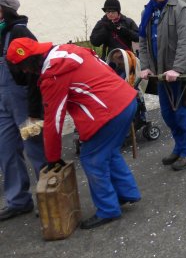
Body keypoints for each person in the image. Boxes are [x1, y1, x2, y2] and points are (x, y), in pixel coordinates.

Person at [6, 38, 141, 229]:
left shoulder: (53, 74)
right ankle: (127, 192)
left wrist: (53, 158)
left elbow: (55, 118)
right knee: (108, 152)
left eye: (24, 67)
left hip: (108, 112)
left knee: (92, 158)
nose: (25, 72)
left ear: (30, 61)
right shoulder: (68, 50)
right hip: (127, 101)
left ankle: (108, 210)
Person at [138, 0, 186, 170]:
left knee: (184, 114)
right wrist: (145, 66)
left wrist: (177, 69)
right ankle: (179, 147)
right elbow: (144, 42)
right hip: (161, 75)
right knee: (168, 114)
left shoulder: (182, 10)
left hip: (181, 74)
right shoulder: (148, 12)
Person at [0, 0, 46, 221]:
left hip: (23, 102)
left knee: (35, 148)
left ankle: (49, 196)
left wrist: (34, 110)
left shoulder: (18, 31)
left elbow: (35, 66)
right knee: (6, 150)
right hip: (3, 102)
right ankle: (18, 200)